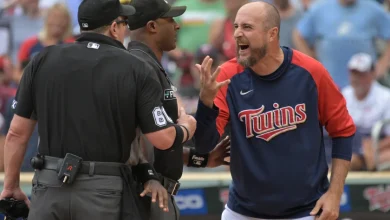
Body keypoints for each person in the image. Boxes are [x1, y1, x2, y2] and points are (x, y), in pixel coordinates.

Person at [0, 0, 197, 219]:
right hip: (103, 188)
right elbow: (162, 138)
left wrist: (10, 186)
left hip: (49, 184)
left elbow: (16, 134)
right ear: (114, 27)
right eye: (124, 24)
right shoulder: (134, 66)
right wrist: (186, 127)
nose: (126, 31)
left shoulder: (43, 59)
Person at [194, 1, 356, 220]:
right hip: (243, 211)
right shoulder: (226, 77)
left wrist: (335, 194)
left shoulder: (311, 72)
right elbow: (204, 146)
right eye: (236, 27)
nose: (237, 34)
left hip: (306, 210)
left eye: (247, 27)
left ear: (272, 34)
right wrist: (205, 103)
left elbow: (343, 131)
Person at [125, 0, 230, 219]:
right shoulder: (138, 67)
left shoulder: (149, 65)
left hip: (155, 190)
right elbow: (131, 136)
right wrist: (149, 176)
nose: (177, 25)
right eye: (170, 20)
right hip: (145, 191)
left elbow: (155, 141)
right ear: (152, 26)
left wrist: (199, 159)